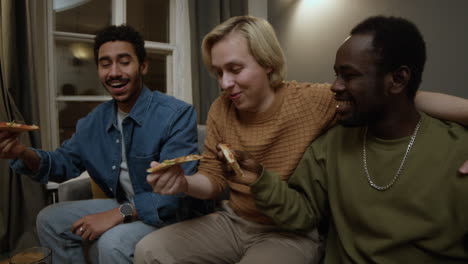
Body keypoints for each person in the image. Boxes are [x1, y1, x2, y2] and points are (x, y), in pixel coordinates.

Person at [134, 16, 468, 264]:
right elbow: (213, 177)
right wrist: (183, 184)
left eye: (234, 69)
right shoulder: (222, 109)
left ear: (266, 63)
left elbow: (403, 99)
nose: (224, 82)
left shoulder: (315, 101)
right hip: (234, 220)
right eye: (218, 72)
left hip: (288, 230)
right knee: (149, 249)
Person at [0, 25, 207, 263]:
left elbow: (173, 198)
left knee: (113, 242)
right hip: (128, 204)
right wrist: (23, 153)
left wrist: (118, 213)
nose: (114, 72)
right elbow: (62, 164)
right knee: (49, 219)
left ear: (143, 65)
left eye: (124, 61)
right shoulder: (92, 122)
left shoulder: (176, 115)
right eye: (105, 63)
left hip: (174, 215)